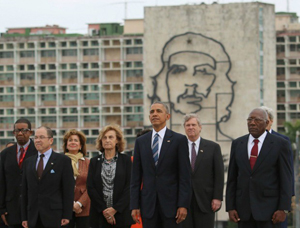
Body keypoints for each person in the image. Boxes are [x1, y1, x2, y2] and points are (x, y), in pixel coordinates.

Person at [148, 32, 236, 140]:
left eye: (202, 71)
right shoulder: (153, 142)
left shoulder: (227, 147)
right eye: (178, 71)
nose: (190, 82)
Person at [226, 108, 293, 228]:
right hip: (244, 211)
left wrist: (283, 208)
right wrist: (230, 207)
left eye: (257, 120)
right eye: (250, 120)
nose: (252, 123)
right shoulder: (238, 144)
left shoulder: (280, 144)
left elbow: (286, 179)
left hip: (270, 211)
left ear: (267, 123)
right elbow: (232, 178)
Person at [130, 101, 191, 228]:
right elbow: (135, 177)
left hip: (172, 206)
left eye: (159, 111)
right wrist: (134, 205)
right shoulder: (141, 142)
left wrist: (183, 205)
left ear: (167, 116)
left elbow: (185, 176)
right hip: (148, 206)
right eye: (152, 112)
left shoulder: (179, 140)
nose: (155, 114)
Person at [21, 126, 74, 228]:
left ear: (51, 140)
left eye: (41, 137)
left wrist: (67, 215)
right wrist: (24, 217)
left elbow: (68, 190)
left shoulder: (63, 161)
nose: (38, 140)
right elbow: (24, 191)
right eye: (36, 137)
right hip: (33, 217)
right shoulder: (28, 162)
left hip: (55, 216)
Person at [87, 125, 134, 228]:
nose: (107, 140)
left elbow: (130, 187)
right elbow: (91, 187)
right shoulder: (94, 162)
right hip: (99, 215)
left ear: (117, 140)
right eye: (104, 137)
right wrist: (105, 211)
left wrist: (115, 209)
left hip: (121, 215)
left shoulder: (126, 161)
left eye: (111, 137)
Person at [182, 114, 224, 228]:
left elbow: (219, 175)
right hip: (184, 203)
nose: (191, 127)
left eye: (193, 125)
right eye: (188, 125)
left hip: (206, 201)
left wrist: (217, 197)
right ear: (184, 128)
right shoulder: (179, 148)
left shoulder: (213, 147)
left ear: (200, 127)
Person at [261, 106, 295, 228]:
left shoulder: (283, 141)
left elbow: (288, 173)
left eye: (266, 119)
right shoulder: (245, 142)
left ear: (271, 121)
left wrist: (285, 206)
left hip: (276, 202)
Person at [0, 118, 38, 228]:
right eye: (17, 130)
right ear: (14, 133)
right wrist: (1, 208)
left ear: (30, 132)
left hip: (33, 209)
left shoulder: (38, 152)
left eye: (24, 130)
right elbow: (2, 182)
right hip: (11, 211)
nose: (20, 133)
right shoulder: (5, 154)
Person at [62, 129, 90, 228]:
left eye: (76, 140)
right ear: (66, 144)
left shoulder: (88, 163)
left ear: (81, 145)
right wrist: (71, 204)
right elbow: (56, 185)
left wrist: (79, 203)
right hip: (64, 208)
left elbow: (92, 186)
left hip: (84, 208)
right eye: (70, 140)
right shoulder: (59, 162)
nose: (72, 142)